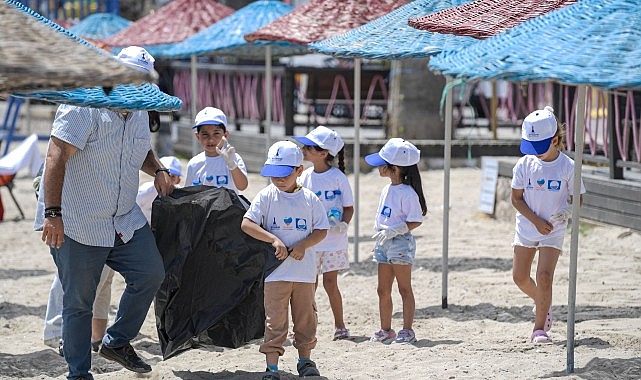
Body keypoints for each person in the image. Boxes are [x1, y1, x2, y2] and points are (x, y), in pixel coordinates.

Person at [35, 46, 172, 379]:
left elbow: (138, 147)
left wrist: (157, 169)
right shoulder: (84, 105)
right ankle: (79, 373)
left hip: (123, 219)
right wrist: (53, 213)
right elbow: (55, 156)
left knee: (151, 274)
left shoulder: (139, 109)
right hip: (78, 222)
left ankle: (116, 341)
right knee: (79, 303)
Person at [241, 141, 329, 380]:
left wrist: (303, 245)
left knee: (306, 318)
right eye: (273, 174)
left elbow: (322, 229)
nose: (278, 180)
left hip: (304, 273)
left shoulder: (310, 199)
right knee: (275, 321)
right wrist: (273, 240)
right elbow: (247, 223)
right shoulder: (266, 196)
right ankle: (272, 367)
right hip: (275, 273)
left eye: (284, 174)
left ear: (299, 170)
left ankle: (305, 360)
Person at [510, 106, 584, 344]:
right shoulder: (524, 165)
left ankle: (539, 329)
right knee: (520, 278)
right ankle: (543, 301)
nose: (535, 153)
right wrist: (536, 221)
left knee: (544, 277)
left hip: (554, 229)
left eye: (539, 147)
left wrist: (567, 212)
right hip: (527, 226)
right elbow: (516, 199)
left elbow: (577, 200)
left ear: (555, 140)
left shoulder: (569, 167)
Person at [292, 126, 354, 341]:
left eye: (308, 147)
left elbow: (348, 207)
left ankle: (340, 326)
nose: (303, 149)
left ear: (323, 153)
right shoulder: (305, 176)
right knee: (310, 284)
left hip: (334, 241)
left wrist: (343, 224)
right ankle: (306, 326)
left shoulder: (338, 177)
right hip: (311, 241)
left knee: (330, 283)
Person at [364, 138, 427, 344]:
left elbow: (416, 220)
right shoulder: (386, 189)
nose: (379, 168)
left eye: (383, 164)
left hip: (400, 243)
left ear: (395, 167)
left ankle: (407, 330)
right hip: (383, 243)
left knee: (404, 288)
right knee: (382, 289)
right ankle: (386, 329)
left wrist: (395, 230)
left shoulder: (407, 193)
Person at [184, 107, 248, 192]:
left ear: (225, 135)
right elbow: (188, 193)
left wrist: (231, 164)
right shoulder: (194, 164)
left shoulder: (233, 158)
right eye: (205, 134)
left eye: (216, 133)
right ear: (197, 136)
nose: (211, 139)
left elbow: (242, 186)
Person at [137, 155, 183, 224]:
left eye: (172, 176)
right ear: (156, 176)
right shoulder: (144, 192)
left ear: (178, 180)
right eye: (164, 176)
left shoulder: (181, 196)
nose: (167, 180)